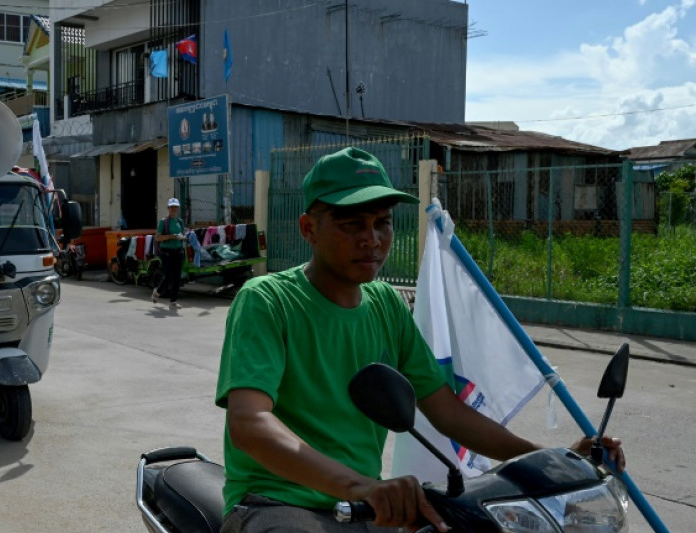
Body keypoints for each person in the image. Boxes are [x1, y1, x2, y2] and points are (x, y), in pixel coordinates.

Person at [215, 147, 625, 533]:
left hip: (366, 504)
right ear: (309, 229)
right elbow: (250, 424)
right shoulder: (267, 301)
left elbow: (447, 411)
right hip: (276, 503)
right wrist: (360, 487)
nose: (372, 239)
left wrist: (548, 462)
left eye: (383, 222)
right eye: (351, 224)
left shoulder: (386, 305)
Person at [152, 198, 185, 308]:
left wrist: (183, 238)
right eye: (172, 207)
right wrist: (171, 236)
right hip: (166, 252)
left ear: (178, 208)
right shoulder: (163, 222)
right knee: (169, 275)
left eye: (176, 207)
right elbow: (158, 237)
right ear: (168, 208)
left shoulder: (180, 222)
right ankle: (157, 292)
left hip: (178, 251)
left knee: (177, 277)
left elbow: (183, 235)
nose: (174, 209)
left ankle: (173, 301)